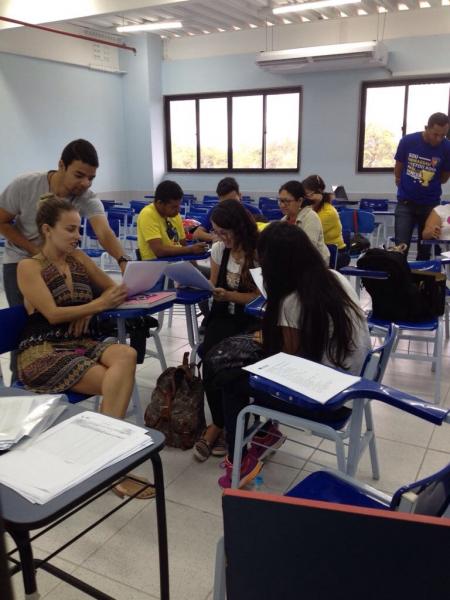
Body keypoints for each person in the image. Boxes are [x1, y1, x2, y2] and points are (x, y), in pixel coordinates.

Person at [16, 194, 153, 499]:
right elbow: (52, 314)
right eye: (70, 229)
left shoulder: (78, 259)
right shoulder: (29, 266)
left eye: (79, 229)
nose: (77, 236)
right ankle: (112, 465)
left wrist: (90, 308)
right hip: (43, 349)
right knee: (115, 383)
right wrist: (96, 304)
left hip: (78, 342)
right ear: (47, 229)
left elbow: (113, 291)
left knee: (127, 354)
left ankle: (103, 459)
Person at [218, 222, 371, 488]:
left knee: (231, 380)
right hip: (354, 386)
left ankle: (240, 460)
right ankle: (265, 432)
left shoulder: (292, 300)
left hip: (327, 401)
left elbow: (286, 362)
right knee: (250, 361)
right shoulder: (333, 277)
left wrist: (265, 342)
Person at [0, 139, 130, 311]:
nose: (85, 183)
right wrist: (35, 251)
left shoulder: (87, 197)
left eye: (91, 178)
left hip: (62, 259)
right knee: (26, 319)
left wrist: (123, 261)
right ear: (62, 165)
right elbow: (2, 221)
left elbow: (104, 233)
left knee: (89, 307)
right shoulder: (25, 185)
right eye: (79, 175)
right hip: (21, 258)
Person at [193, 199, 260, 462]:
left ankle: (227, 426)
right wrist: (201, 285)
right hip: (223, 315)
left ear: (239, 227)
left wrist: (230, 295)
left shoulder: (256, 252)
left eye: (224, 231)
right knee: (208, 358)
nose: (219, 237)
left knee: (227, 365)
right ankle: (219, 423)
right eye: (216, 231)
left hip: (250, 320)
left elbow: (259, 297)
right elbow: (213, 284)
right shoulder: (220, 249)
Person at [394, 112, 450, 260]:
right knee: (400, 248)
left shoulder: (447, 147)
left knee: (425, 250)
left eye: (443, 135)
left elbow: (444, 178)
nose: (438, 139)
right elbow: (398, 167)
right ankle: (400, 275)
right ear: (427, 128)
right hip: (406, 204)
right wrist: (401, 180)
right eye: (435, 134)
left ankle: (422, 276)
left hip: (430, 205)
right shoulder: (408, 141)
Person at [137, 180, 208, 260]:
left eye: (179, 205)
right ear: (160, 203)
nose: (178, 210)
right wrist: (191, 249)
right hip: (155, 264)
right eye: (174, 207)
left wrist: (193, 262)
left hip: (176, 261)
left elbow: (183, 245)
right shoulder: (148, 214)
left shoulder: (174, 215)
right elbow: (159, 251)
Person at [302, 174, 350, 269]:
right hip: (320, 250)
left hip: (336, 253)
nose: (306, 198)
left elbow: (305, 235)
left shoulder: (328, 212)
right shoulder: (311, 208)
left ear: (319, 193)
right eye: (304, 195)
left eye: (309, 194)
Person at [278, 180, 330, 264]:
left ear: (300, 201)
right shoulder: (283, 221)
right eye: (280, 201)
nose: (282, 205)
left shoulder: (311, 217)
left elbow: (307, 250)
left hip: (314, 265)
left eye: (287, 201)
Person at [192, 177, 241, 243]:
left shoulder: (252, 212)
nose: (230, 207)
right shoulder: (215, 211)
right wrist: (216, 237)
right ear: (219, 200)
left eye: (233, 202)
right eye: (225, 203)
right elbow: (197, 234)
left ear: (240, 195)